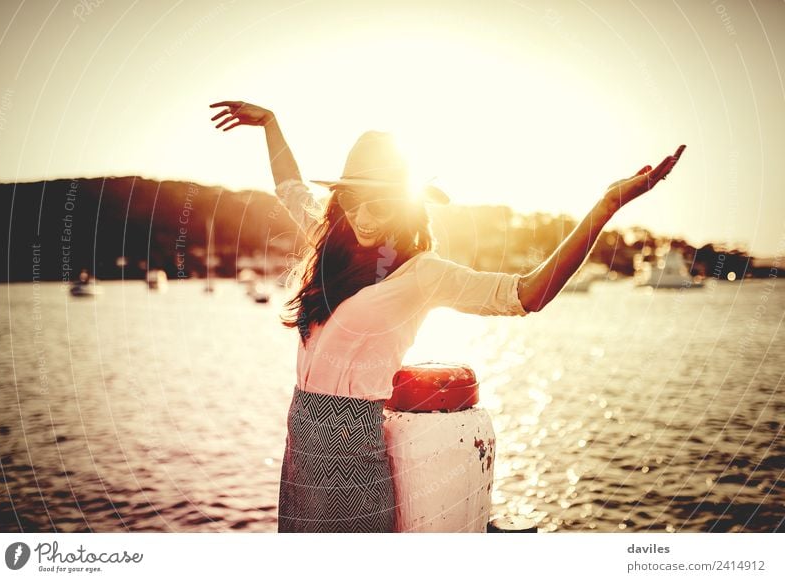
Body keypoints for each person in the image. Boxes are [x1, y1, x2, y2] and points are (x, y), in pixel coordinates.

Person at [209, 100, 686, 532]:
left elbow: (528, 294)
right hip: (301, 440)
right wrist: (270, 123)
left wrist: (605, 206)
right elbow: (289, 186)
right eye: (352, 200)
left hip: (351, 452)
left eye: (378, 202)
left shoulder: (423, 274)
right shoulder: (331, 240)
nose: (363, 215)